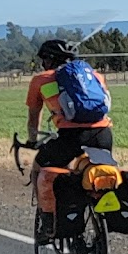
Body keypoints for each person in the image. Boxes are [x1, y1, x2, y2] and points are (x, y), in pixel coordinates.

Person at [24, 38, 112, 233]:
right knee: (89, 171)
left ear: (49, 60)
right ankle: (97, 221)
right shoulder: (95, 76)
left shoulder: (41, 80)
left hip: (71, 137)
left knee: (41, 167)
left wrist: (32, 140)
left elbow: (34, 118)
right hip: (103, 134)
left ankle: (47, 221)